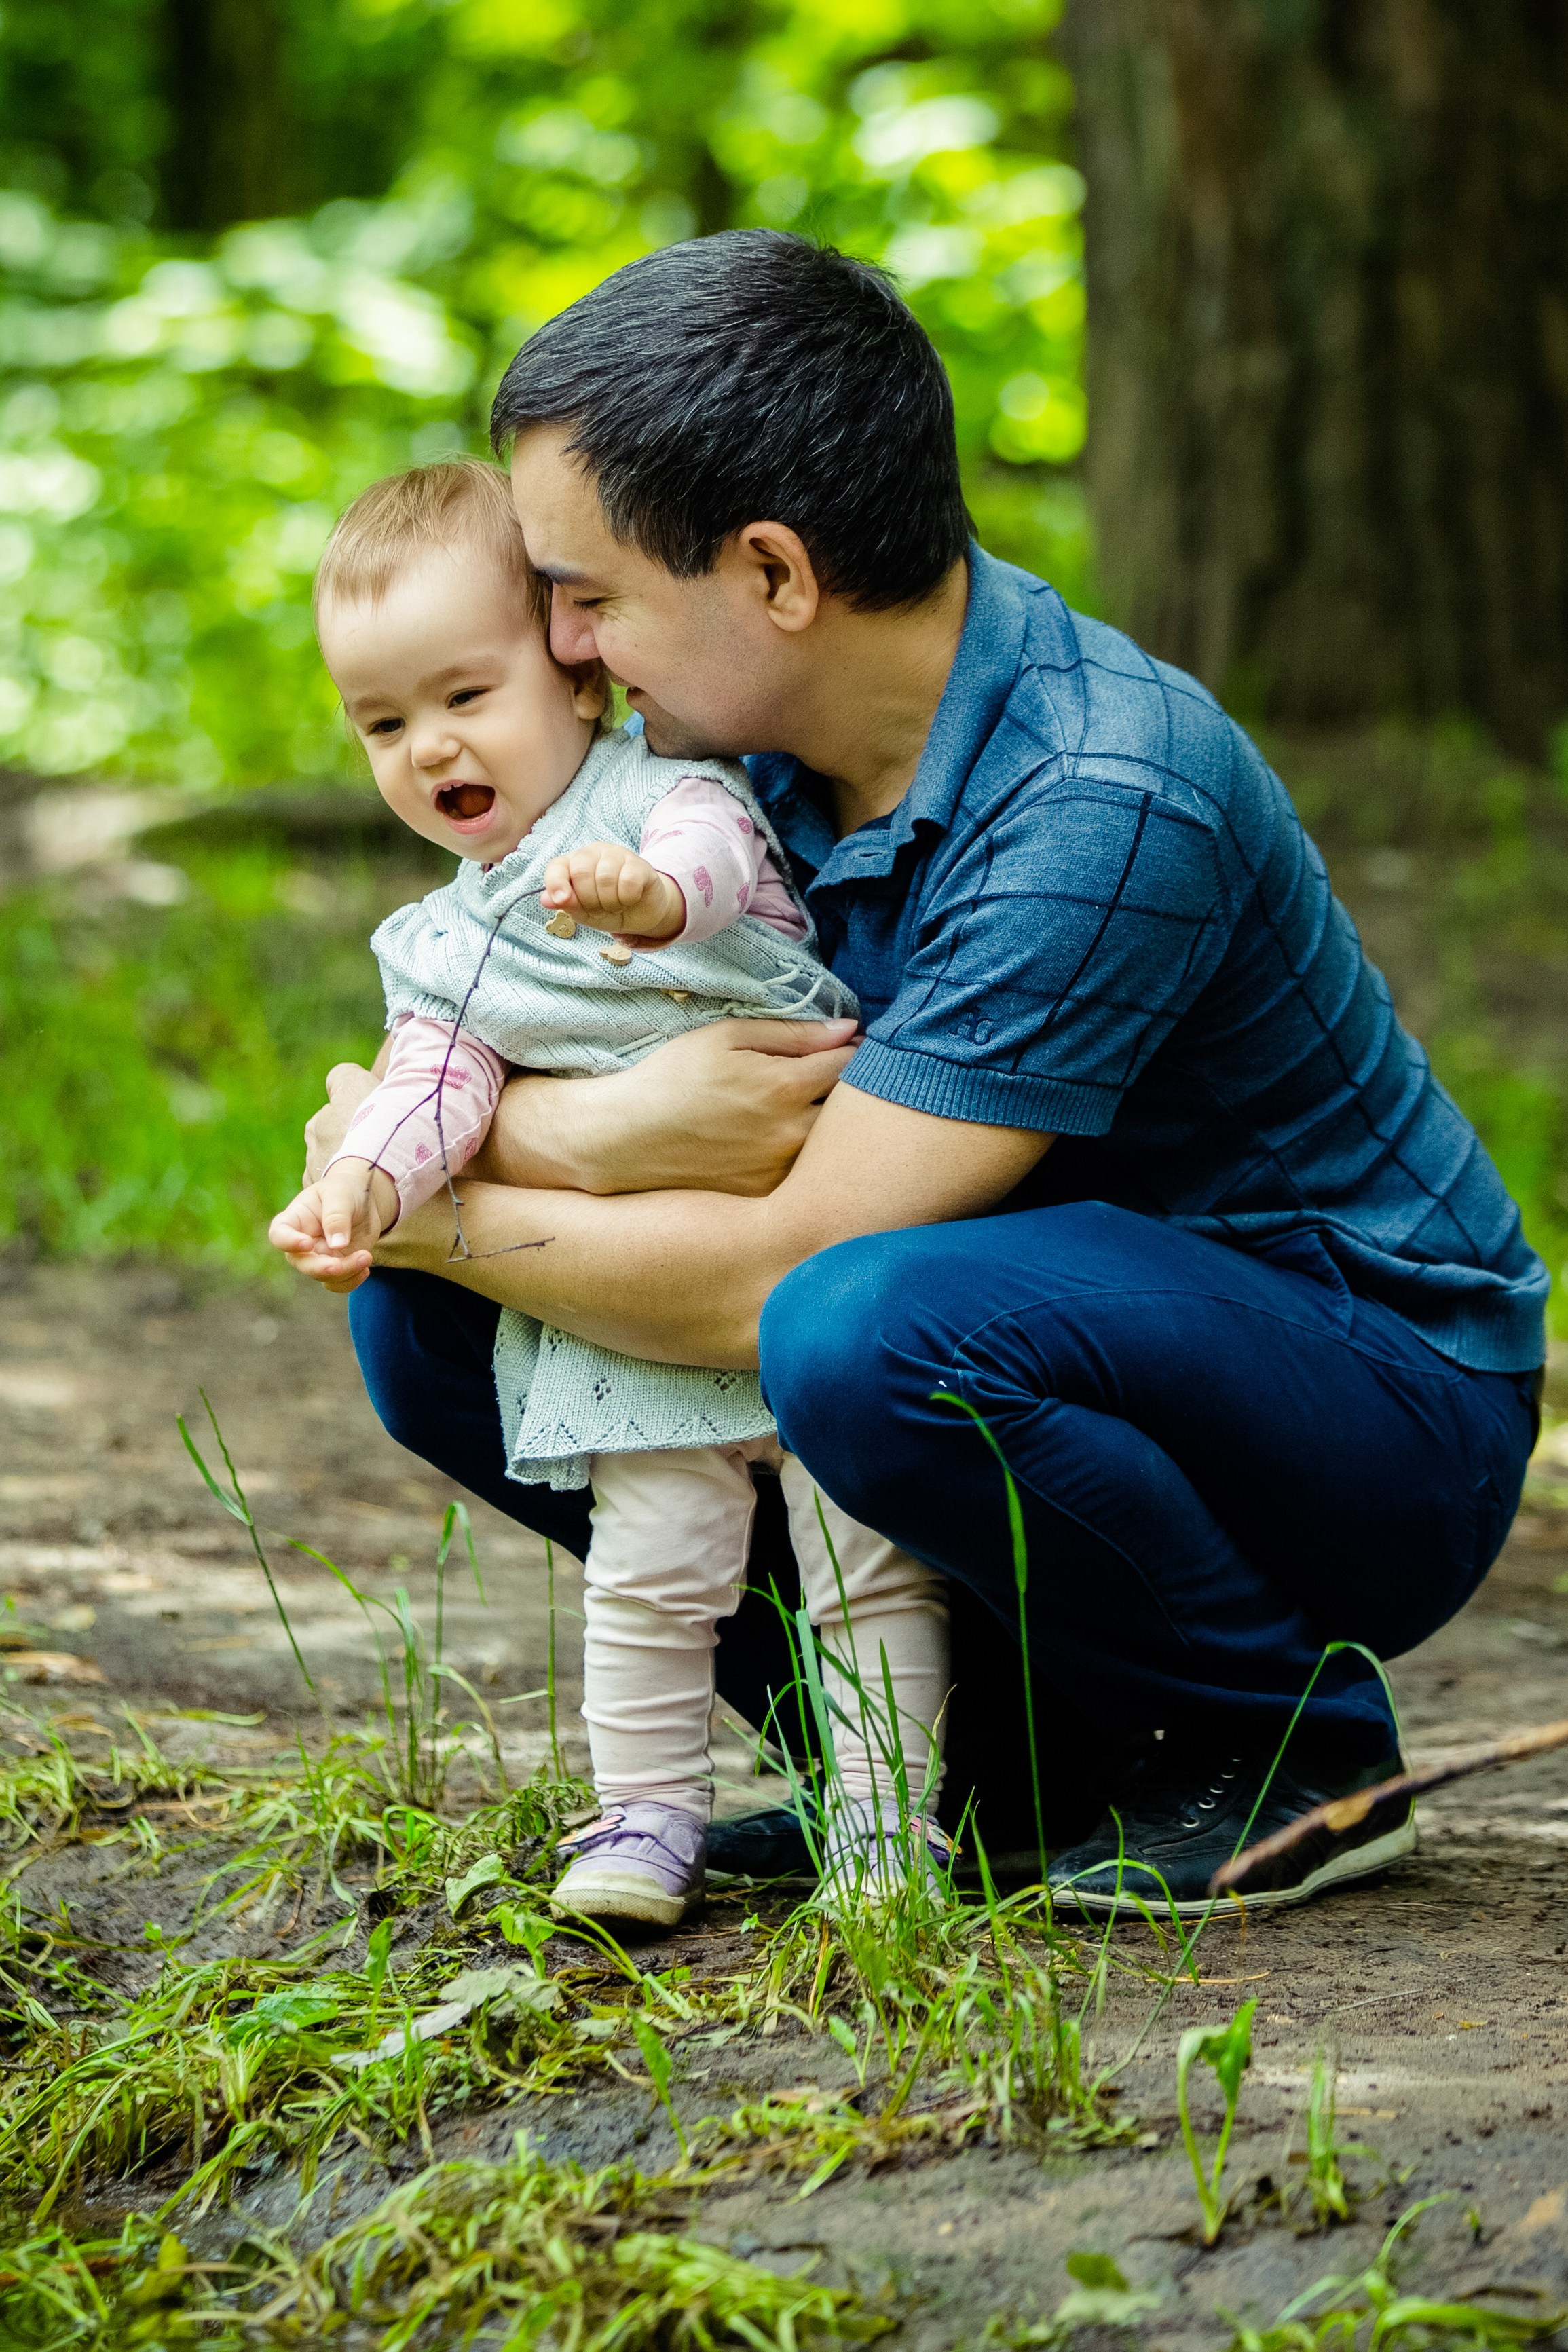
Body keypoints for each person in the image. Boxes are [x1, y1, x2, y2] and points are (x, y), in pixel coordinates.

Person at [311, 231, 1547, 1918]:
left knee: (848, 1328)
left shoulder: (1105, 787)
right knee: (438, 1337)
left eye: (588, 595)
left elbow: (788, 1268)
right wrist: (569, 1135)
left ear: (775, 574)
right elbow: (538, 1035)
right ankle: (965, 1778)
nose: (572, 652)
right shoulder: (728, 752)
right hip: (1037, 1310)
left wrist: (429, 1212)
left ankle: (1295, 1748)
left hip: (1359, 1391)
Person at [271, 457, 952, 1926]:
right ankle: (644, 1818)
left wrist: (649, 898)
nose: (426, 745)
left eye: (465, 694)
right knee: (651, 1574)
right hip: (642, 1303)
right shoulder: (441, 946)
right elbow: (433, 1084)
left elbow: (714, 864)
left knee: (866, 1568)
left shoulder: (669, 792)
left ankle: (894, 1835)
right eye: (383, 723)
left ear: (574, 676)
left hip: (815, 1250)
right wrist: (361, 1185)